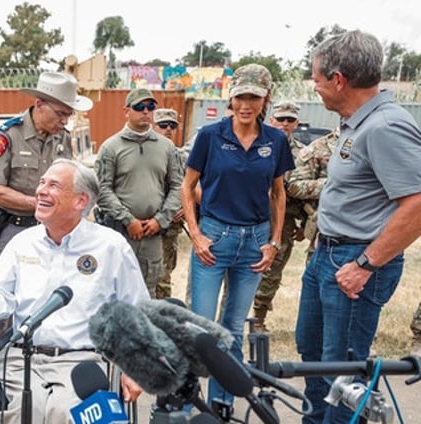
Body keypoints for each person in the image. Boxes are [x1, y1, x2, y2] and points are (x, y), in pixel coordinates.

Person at [0, 159, 148, 424]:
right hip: (23, 359)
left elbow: (136, 311)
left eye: (54, 185)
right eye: (42, 182)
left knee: (63, 413)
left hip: (81, 361)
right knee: (24, 413)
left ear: (81, 201)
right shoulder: (22, 243)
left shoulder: (110, 246)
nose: (41, 190)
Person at [295, 30, 421, 424]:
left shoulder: (386, 126)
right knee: (312, 356)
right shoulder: (355, 123)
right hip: (328, 255)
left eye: (316, 78)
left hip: (356, 262)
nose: (313, 87)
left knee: (342, 371)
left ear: (338, 79)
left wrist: (365, 265)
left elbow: (417, 204)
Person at [182, 63, 294, 409]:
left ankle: (221, 404)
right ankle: (184, 406)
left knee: (232, 327)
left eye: (254, 97)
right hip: (214, 239)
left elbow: (279, 193)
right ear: (230, 98)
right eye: (240, 96)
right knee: (200, 326)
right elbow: (187, 187)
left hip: (254, 243)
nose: (246, 104)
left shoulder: (275, 140)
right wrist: (197, 236)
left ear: (266, 100)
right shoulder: (210, 136)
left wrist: (274, 241)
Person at [0, 71, 92, 343]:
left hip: (51, 234)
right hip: (12, 230)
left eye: (68, 115)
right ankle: (3, 360)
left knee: (47, 294)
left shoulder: (62, 138)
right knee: (7, 301)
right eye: (61, 113)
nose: (65, 121)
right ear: (40, 105)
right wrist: (42, 204)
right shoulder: (9, 134)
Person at [95, 89, 182, 298]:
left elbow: (177, 186)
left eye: (150, 107)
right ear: (126, 111)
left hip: (152, 234)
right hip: (120, 232)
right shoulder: (111, 147)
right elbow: (102, 189)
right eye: (139, 107)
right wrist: (128, 220)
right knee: (112, 289)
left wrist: (160, 220)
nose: (146, 112)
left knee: (148, 291)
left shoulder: (167, 148)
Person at [250, 101, 309, 332]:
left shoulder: (304, 153)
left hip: (283, 222)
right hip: (251, 217)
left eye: (290, 120)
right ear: (271, 120)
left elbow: (304, 192)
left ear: (296, 123)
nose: (285, 124)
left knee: (272, 273)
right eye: (281, 119)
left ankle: (258, 318)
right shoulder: (256, 143)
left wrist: (306, 224)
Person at [285, 127, 341, 262]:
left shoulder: (377, 145)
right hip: (325, 228)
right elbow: (293, 187)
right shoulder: (319, 147)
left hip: (368, 230)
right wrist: (333, 185)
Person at [154, 108, 186, 299]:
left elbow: (190, 187)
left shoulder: (182, 157)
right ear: (153, 126)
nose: (168, 129)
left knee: (164, 278)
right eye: (163, 125)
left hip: (170, 229)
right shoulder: (145, 152)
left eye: (172, 126)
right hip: (147, 224)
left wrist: (183, 207)